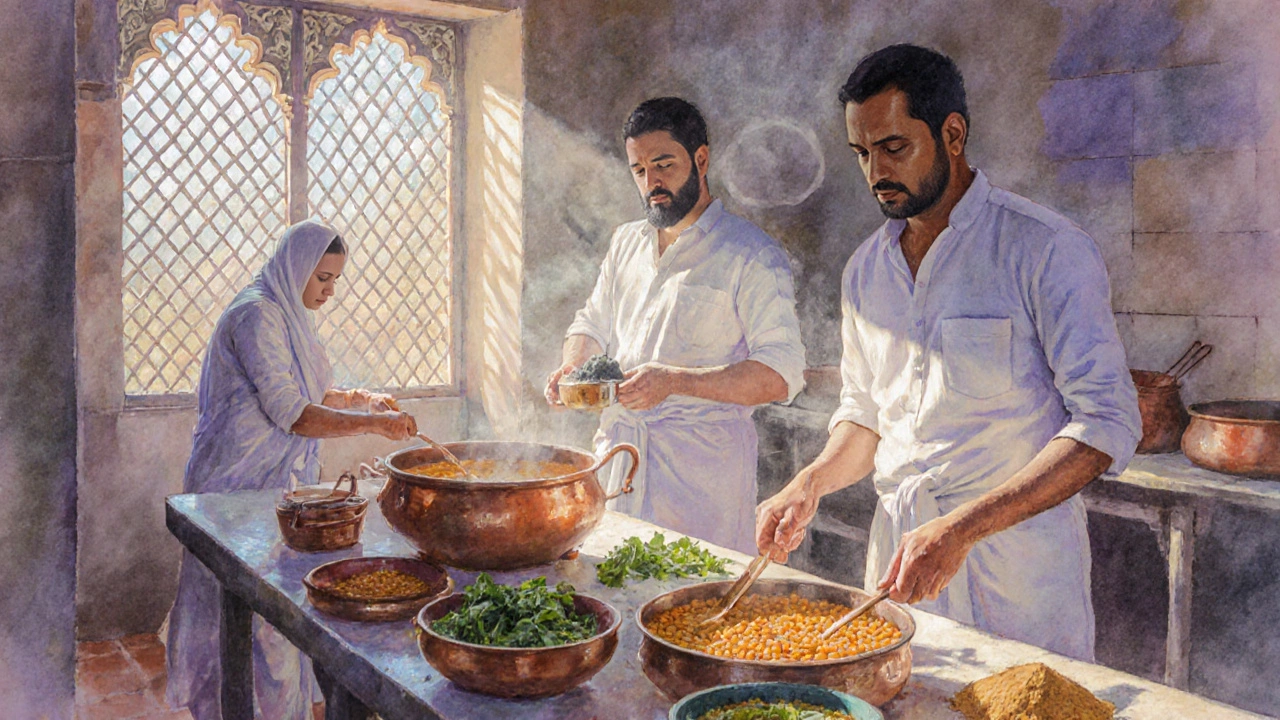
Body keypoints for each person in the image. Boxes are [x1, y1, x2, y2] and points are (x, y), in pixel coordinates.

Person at [755, 45, 1141, 661]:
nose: (875, 170)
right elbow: (865, 417)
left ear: (953, 134)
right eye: (862, 153)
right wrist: (809, 482)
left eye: (894, 147)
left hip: (1014, 572)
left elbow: (1108, 423)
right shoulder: (866, 271)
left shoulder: (1044, 249)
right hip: (900, 564)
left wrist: (963, 528)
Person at [165, 220, 418, 720]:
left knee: (271, 619)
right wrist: (374, 424)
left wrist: (361, 398)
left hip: (269, 486)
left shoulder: (285, 314)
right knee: (250, 619)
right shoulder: (257, 316)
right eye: (322, 278)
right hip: (233, 486)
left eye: (335, 280)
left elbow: (309, 394)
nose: (329, 290)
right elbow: (294, 413)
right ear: (295, 267)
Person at [545, 97, 807, 553]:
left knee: (691, 610)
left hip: (701, 485)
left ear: (700, 159)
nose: (652, 183)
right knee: (614, 592)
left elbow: (781, 374)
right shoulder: (626, 243)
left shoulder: (750, 254)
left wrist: (673, 381)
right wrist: (574, 368)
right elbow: (591, 322)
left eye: (663, 165)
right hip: (619, 464)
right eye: (639, 170)